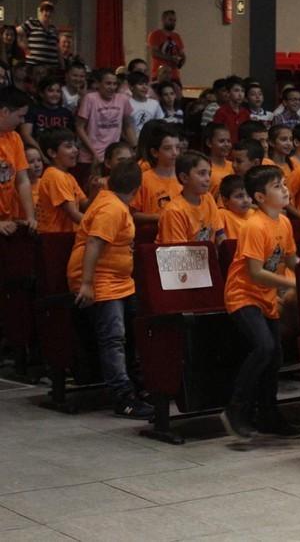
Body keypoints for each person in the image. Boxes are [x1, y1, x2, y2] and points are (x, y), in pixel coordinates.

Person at [67, 161, 153, 419]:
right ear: (137, 189)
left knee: (132, 335)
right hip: (101, 281)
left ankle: (138, 386)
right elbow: (94, 242)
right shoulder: (111, 208)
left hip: (120, 281)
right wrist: (87, 284)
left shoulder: (114, 202)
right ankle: (123, 397)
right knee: (113, 339)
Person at [221, 165, 300, 439]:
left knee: (275, 355)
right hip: (243, 294)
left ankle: (269, 414)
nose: (285, 190)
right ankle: (235, 409)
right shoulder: (254, 226)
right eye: (277, 186)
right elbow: (255, 272)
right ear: (260, 197)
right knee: (264, 347)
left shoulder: (284, 222)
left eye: (284, 184)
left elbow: (290, 259)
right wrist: (294, 283)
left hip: (267, 297)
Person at [75, 69, 137, 179]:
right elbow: (79, 127)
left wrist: (135, 148)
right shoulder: (90, 98)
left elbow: (127, 126)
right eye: (108, 83)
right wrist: (94, 153)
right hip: (89, 156)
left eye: (114, 84)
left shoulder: (122, 99)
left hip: (113, 156)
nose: (112, 87)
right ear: (99, 84)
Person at [156, 151, 225, 244]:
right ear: (184, 177)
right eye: (202, 173)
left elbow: (220, 235)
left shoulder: (208, 198)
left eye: (209, 173)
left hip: (206, 252)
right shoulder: (173, 211)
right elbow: (178, 250)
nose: (208, 178)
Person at [35, 129, 87, 233]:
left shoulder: (68, 176)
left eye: (75, 146)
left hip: (64, 235)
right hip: (53, 236)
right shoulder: (55, 175)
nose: (75, 150)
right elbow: (73, 214)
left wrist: (95, 190)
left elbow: (85, 204)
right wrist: (99, 225)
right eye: (69, 146)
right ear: (52, 153)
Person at [130, 123, 181, 225]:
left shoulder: (185, 178)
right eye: (168, 148)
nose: (174, 152)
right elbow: (132, 214)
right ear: (155, 152)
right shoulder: (143, 179)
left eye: (177, 147)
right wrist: (159, 218)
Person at [20, 77, 74, 157]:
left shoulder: (66, 113)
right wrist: (42, 155)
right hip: (38, 154)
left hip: (61, 156)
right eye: (50, 91)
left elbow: (71, 137)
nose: (55, 94)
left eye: (58, 91)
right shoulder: (33, 110)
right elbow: (26, 135)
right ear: (41, 93)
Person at [18, 1, 60, 70]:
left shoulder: (54, 29)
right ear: (41, 11)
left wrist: (62, 65)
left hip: (52, 68)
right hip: (34, 67)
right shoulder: (32, 23)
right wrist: (24, 46)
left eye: (50, 11)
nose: (48, 13)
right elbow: (16, 32)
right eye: (46, 11)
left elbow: (57, 48)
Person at [147, 9, 185, 83]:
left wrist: (181, 61)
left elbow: (182, 53)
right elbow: (154, 52)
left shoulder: (176, 36)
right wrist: (171, 58)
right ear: (163, 20)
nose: (173, 23)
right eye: (170, 20)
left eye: (174, 20)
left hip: (174, 75)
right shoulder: (155, 34)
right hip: (159, 74)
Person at [212, 76, 250, 143]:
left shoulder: (245, 113)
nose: (240, 94)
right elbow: (217, 135)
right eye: (236, 90)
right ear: (228, 93)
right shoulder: (221, 112)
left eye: (242, 91)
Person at [204, 123, 234, 200]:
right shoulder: (204, 168)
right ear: (209, 143)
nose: (226, 144)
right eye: (221, 141)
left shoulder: (234, 166)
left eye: (228, 141)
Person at [218, 174, 253, 238]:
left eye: (249, 196)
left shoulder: (254, 214)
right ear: (225, 201)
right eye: (239, 196)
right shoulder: (222, 214)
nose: (246, 200)